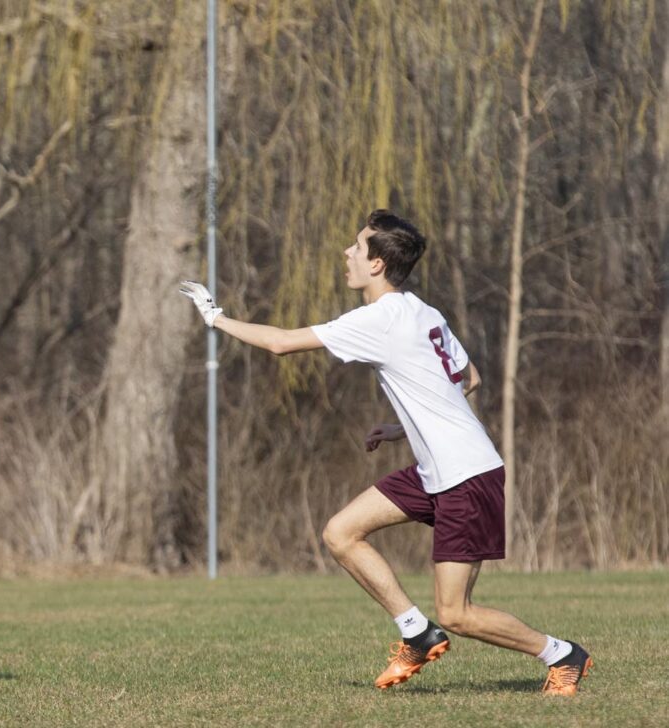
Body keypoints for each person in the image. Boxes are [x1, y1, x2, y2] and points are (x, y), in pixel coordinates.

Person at [179, 209, 592, 696]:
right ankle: (416, 631)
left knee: (458, 613)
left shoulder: (380, 318)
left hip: (467, 475)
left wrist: (216, 318)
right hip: (437, 470)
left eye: (356, 247)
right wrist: (403, 427)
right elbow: (470, 378)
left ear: (377, 265)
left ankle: (561, 654)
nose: (347, 254)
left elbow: (280, 344)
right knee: (341, 532)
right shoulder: (424, 311)